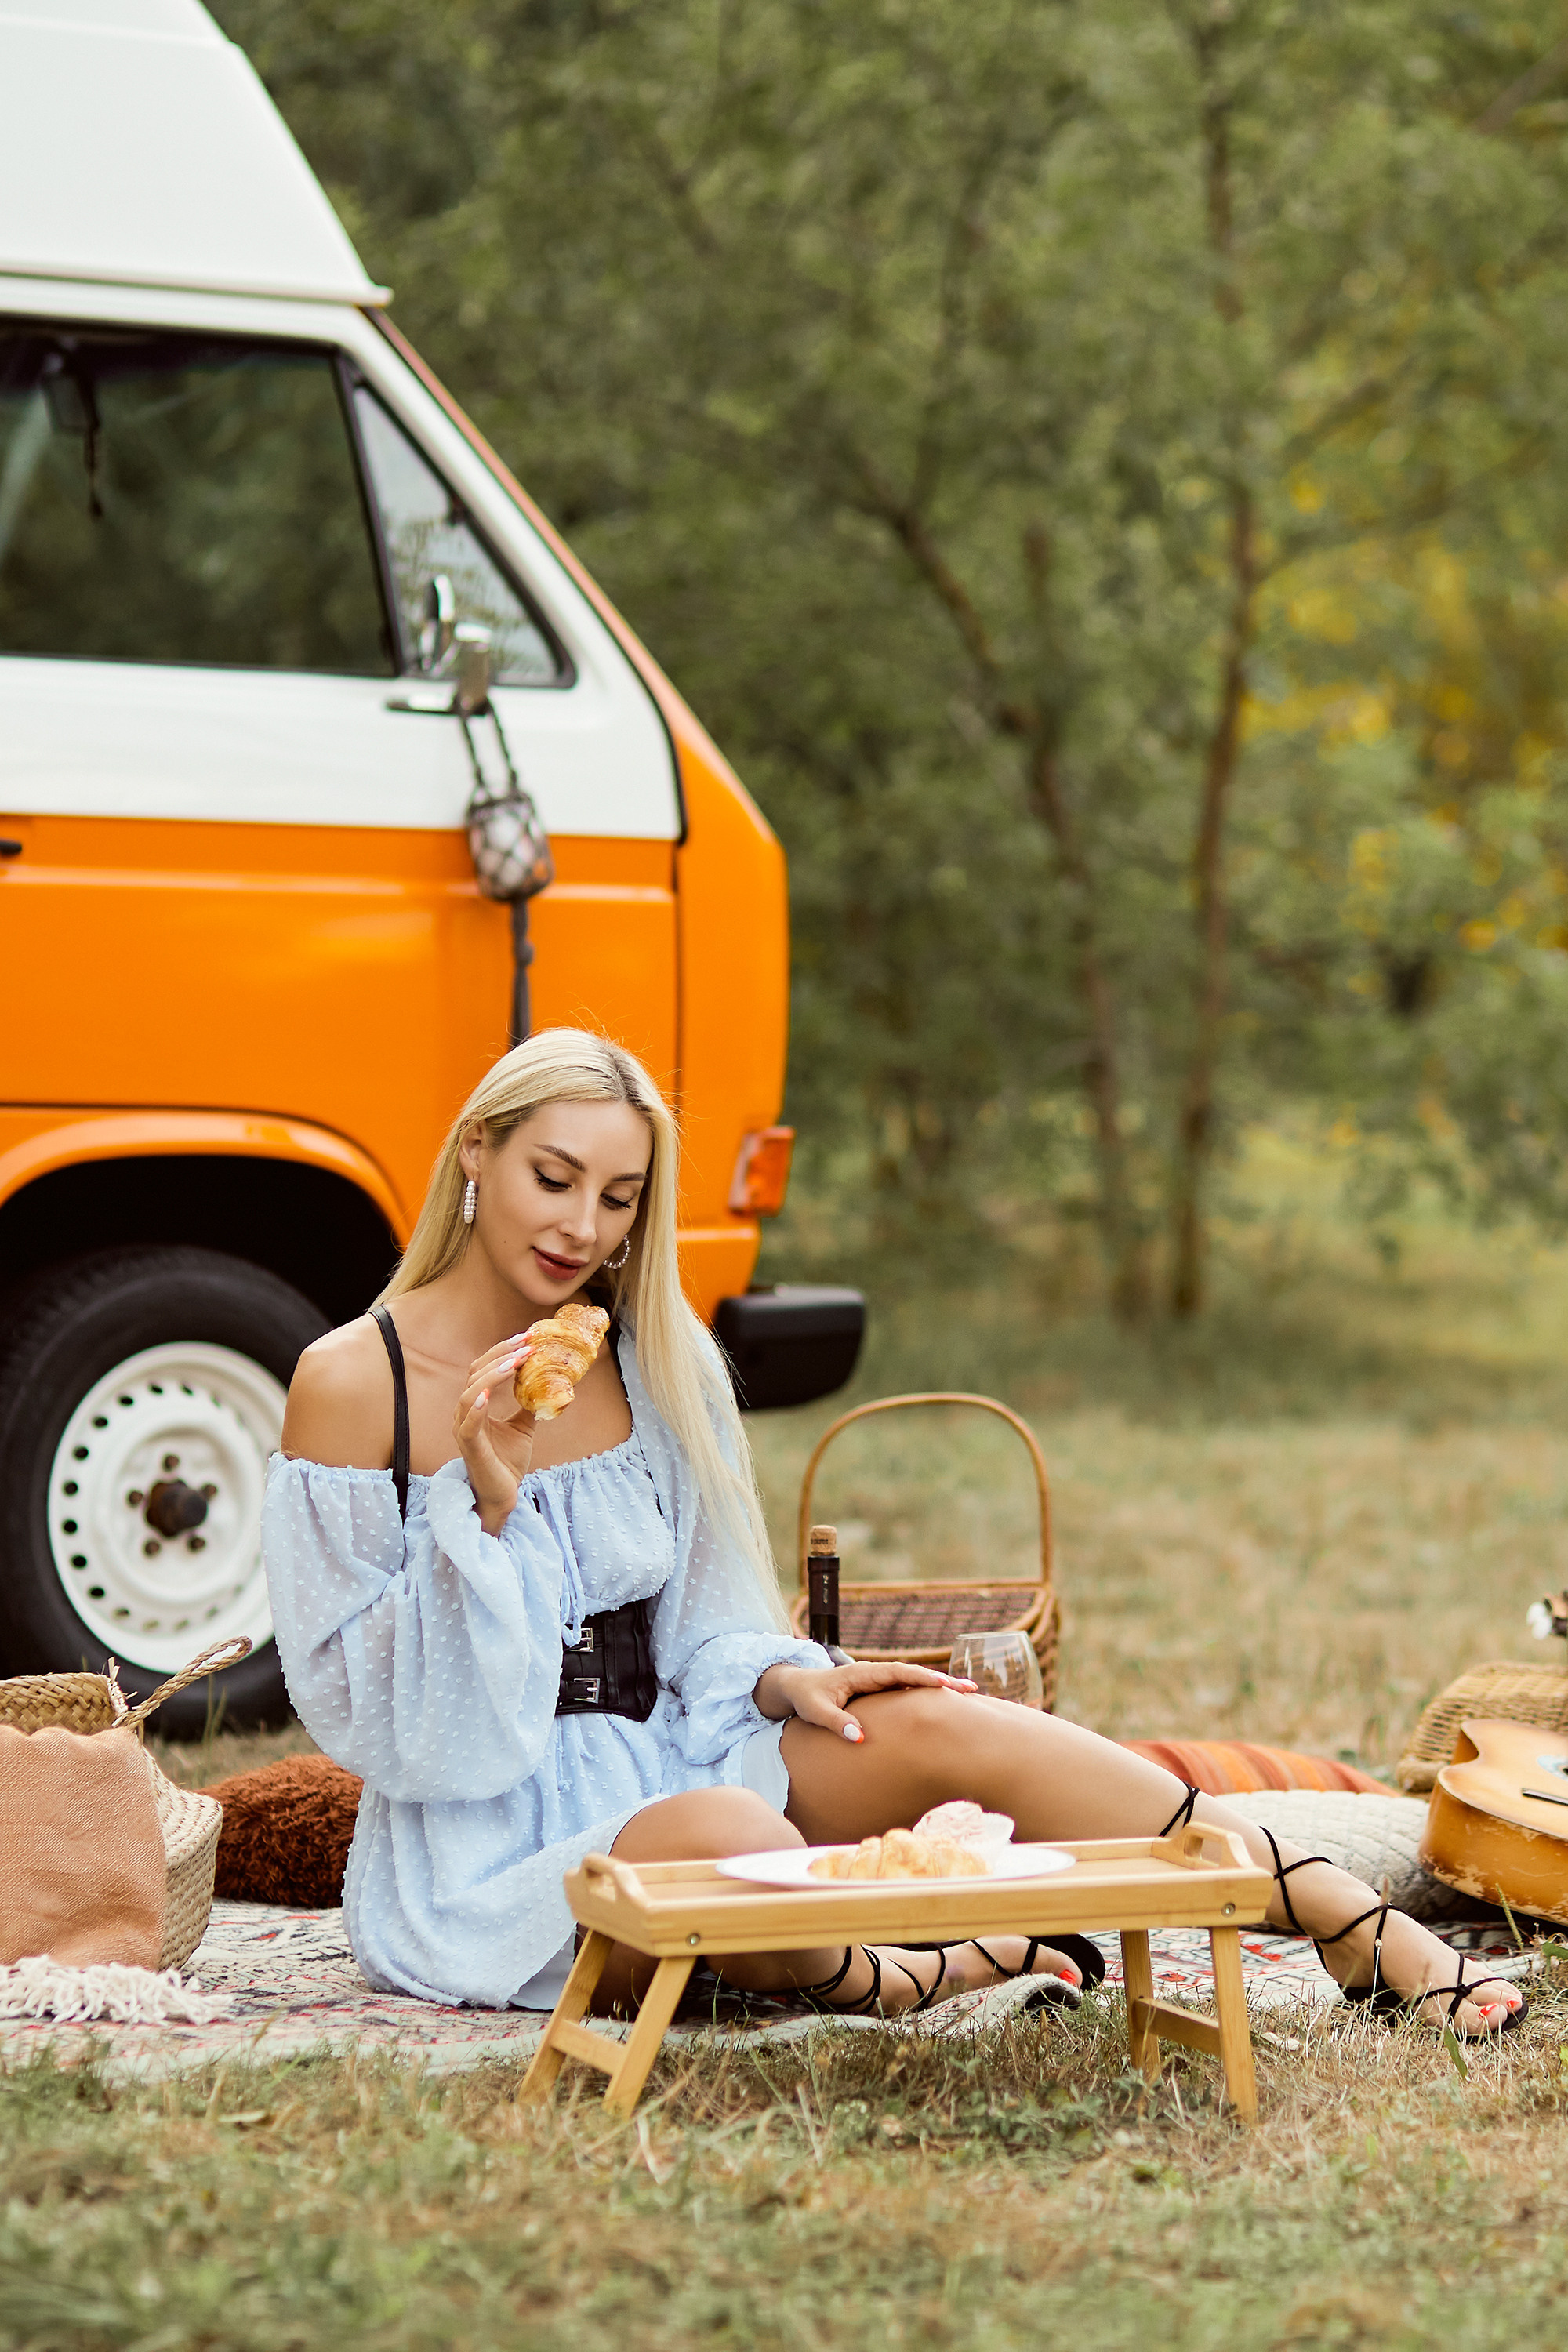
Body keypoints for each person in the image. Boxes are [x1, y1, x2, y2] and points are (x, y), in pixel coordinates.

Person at [262, 1030, 1526, 2035]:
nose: (582, 1229)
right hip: (490, 1832)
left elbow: (703, 1622)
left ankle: (1333, 1908)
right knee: (737, 1847)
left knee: (934, 1720)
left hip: (675, 1750)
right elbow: (368, 1713)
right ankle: (916, 1973)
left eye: (620, 1199)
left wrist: (783, 1678)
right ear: (475, 1153)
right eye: (553, 1179)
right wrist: (482, 1510)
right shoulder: (354, 1382)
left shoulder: (654, 1355)